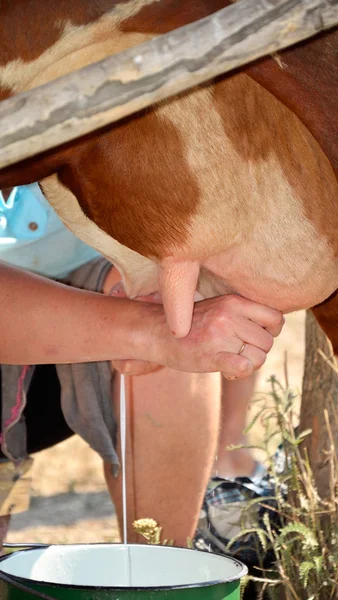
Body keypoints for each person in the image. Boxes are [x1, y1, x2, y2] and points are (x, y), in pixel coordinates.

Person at [0, 183, 284, 547]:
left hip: (97, 284)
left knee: (173, 309)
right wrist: (148, 332)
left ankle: (164, 566)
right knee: (173, 327)